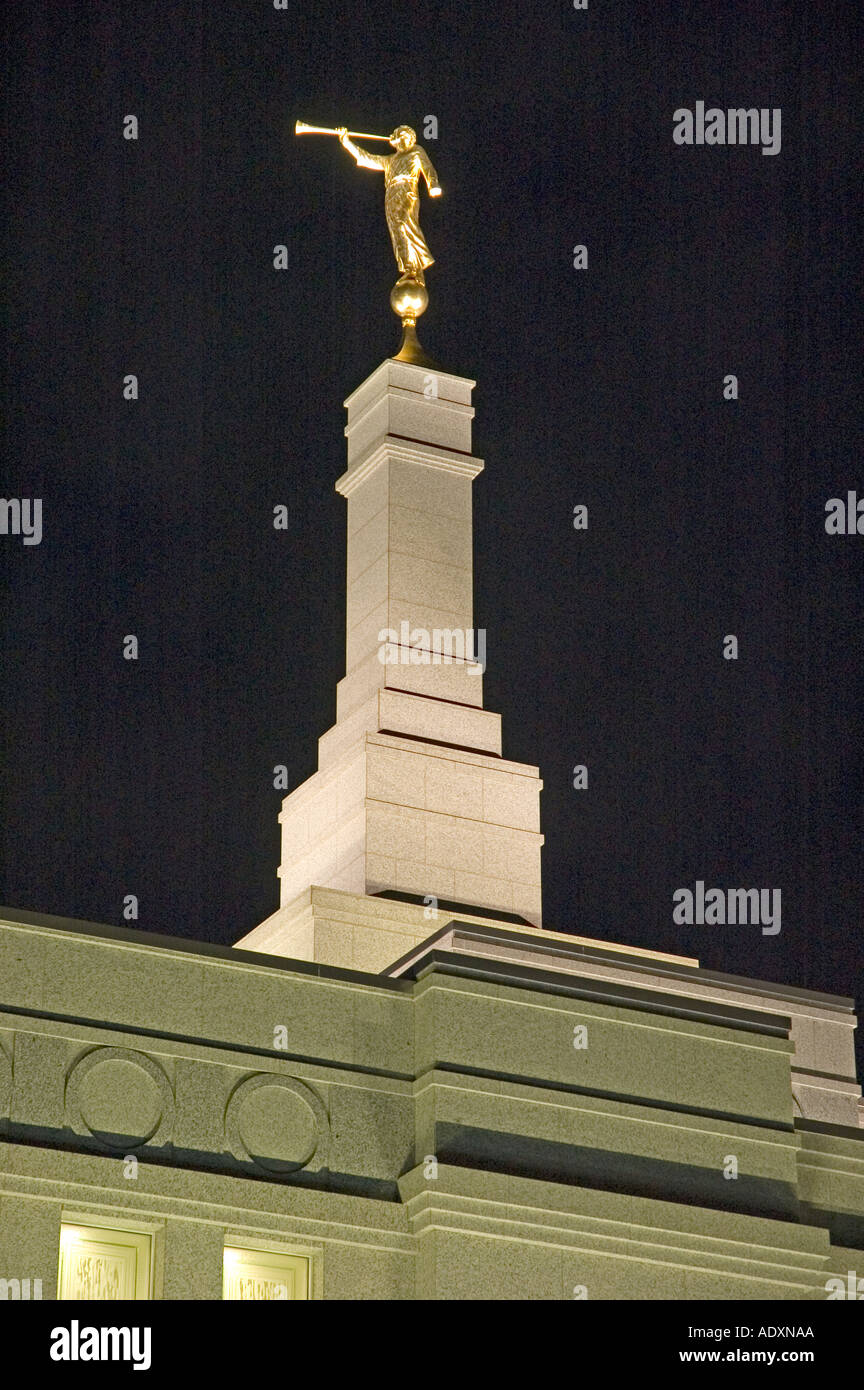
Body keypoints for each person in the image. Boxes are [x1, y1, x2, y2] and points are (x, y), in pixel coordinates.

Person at [338, 125, 441, 284]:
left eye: (405, 136)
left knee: (404, 223)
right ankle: (410, 268)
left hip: (408, 190)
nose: (403, 140)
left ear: (410, 139)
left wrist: (433, 185)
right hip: (391, 195)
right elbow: (367, 158)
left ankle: (418, 263)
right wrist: (346, 142)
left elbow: (428, 169)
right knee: (396, 231)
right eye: (400, 136)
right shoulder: (390, 160)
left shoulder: (416, 151)